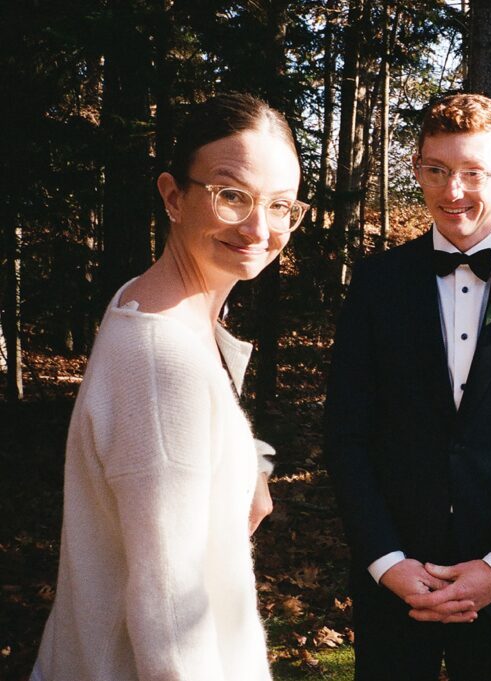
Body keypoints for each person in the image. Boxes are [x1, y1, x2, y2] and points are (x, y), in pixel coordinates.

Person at [31, 92, 308, 681]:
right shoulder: (161, 359)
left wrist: (249, 466)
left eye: (280, 205)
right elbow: (171, 619)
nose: (259, 228)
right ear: (173, 196)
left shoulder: (154, 302)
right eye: (232, 195)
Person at [324, 93, 491, 681]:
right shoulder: (376, 284)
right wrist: (387, 561)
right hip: (394, 580)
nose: (453, 191)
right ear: (417, 170)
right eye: (437, 170)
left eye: (473, 172)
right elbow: (346, 435)